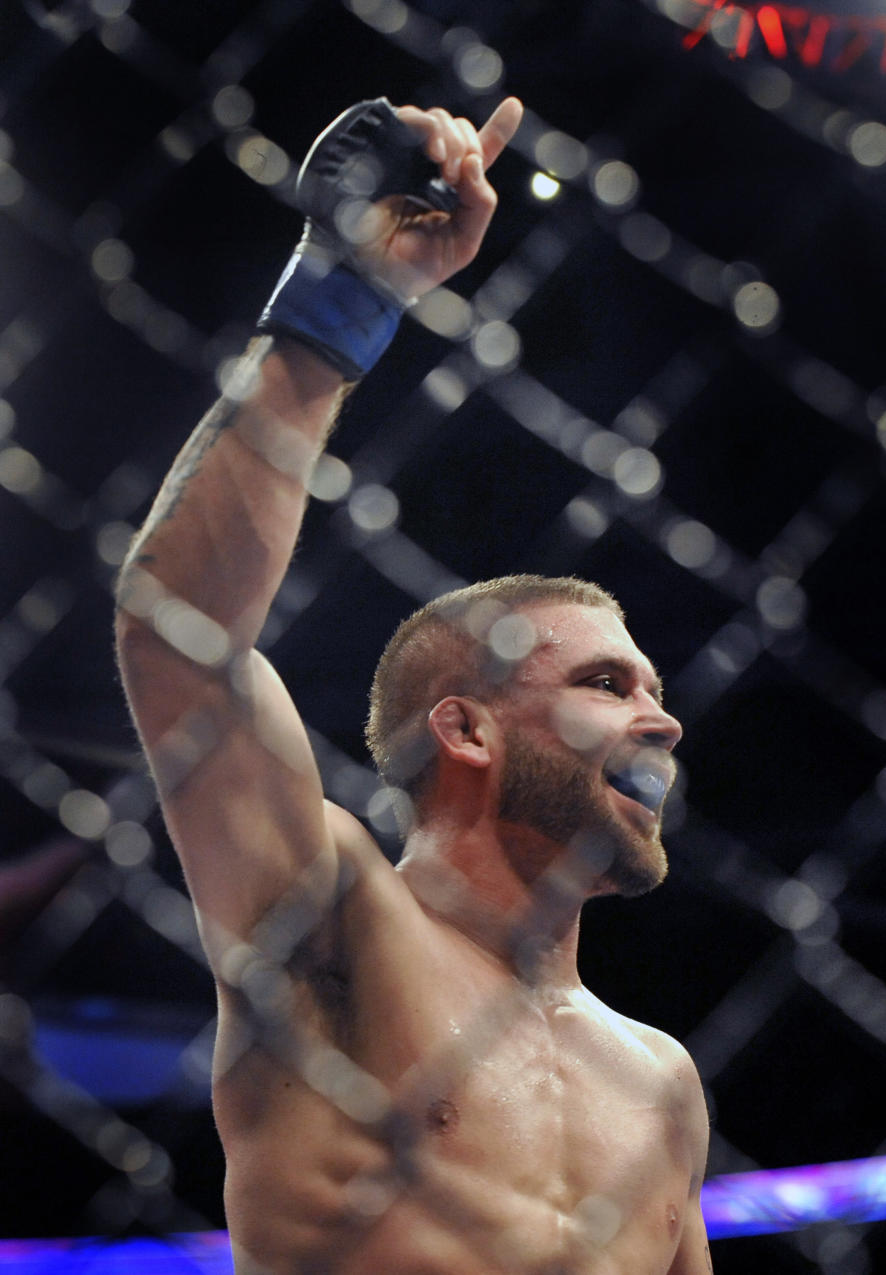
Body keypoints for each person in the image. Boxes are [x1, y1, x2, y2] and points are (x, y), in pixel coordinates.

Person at [115, 93, 712, 1275]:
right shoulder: (338, 919)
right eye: (607, 681)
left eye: (651, 685)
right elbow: (179, 636)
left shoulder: (662, 1080)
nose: (664, 716)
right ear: (467, 727)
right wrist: (345, 299)